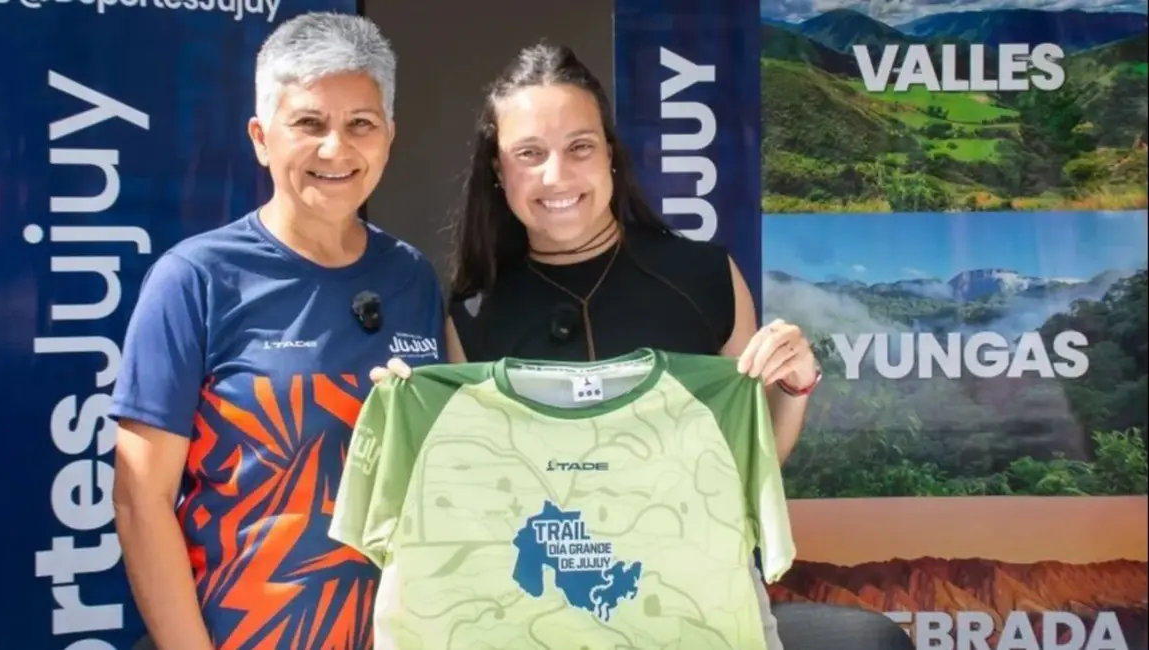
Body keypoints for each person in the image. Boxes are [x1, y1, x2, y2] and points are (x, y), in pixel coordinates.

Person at [373, 42, 914, 650]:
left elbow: (744, 466)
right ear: (499, 172)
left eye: (580, 146)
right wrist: (412, 420)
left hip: (696, 605)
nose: (557, 175)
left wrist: (792, 386)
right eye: (530, 153)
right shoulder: (473, 316)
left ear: (610, 154)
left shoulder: (703, 276)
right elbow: (481, 509)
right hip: (548, 619)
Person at [110, 13, 444, 650]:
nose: (335, 149)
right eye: (309, 124)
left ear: (389, 136)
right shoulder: (194, 280)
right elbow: (139, 498)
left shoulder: (414, 279)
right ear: (261, 138)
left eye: (361, 124)